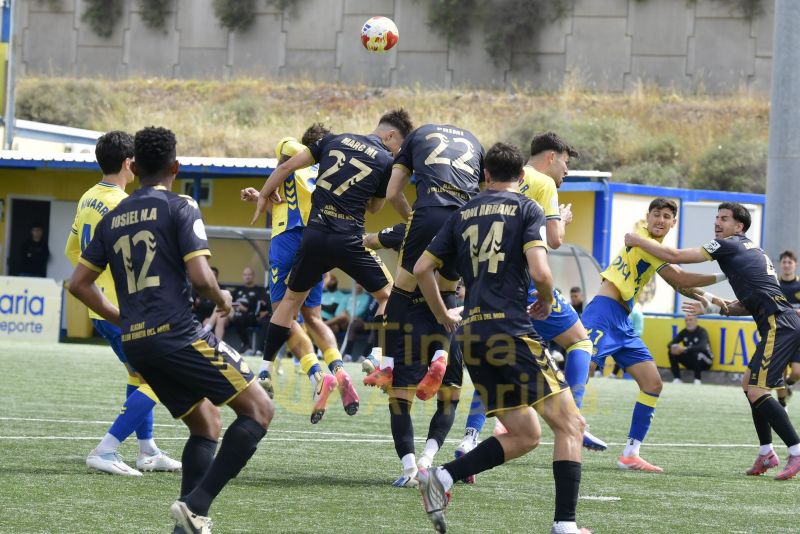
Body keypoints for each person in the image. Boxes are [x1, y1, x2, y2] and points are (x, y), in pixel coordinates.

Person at [69, 126, 274, 532]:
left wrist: (121, 319)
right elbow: (200, 276)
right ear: (175, 167)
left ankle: (186, 526)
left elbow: (77, 283)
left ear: (135, 166)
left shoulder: (114, 218)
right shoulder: (180, 205)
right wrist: (221, 300)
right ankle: (197, 504)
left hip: (138, 344)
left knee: (206, 423)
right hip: (178, 334)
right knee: (260, 409)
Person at [413, 142, 590, 534]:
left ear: (485, 176)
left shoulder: (462, 213)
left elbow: (423, 267)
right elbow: (542, 274)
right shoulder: (527, 208)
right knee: (572, 425)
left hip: (473, 335)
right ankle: (565, 526)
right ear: (523, 177)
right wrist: (545, 301)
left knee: (526, 435)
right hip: (510, 330)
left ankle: (441, 477)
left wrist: (444, 314)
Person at [249, 110, 414, 422]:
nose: (397, 153)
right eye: (398, 147)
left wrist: (264, 196)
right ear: (390, 137)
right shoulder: (385, 161)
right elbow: (377, 206)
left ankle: (264, 368)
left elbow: (286, 166)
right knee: (388, 294)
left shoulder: (332, 140)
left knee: (289, 303)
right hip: (349, 239)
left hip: (313, 237)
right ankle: (375, 355)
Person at [454, 131, 604, 461]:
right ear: (551, 157)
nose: (566, 170)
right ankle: (575, 417)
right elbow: (553, 240)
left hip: (488, 291)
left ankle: (470, 436)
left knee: (495, 355)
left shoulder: (497, 186)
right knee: (580, 342)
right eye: (565, 162)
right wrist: (562, 220)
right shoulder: (543, 183)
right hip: (527, 285)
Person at [627, 201, 800, 480]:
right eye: (716, 218)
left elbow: (676, 256)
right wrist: (712, 305)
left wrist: (639, 239)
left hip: (778, 325)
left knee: (757, 390)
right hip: (780, 323)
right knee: (750, 385)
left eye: (724, 219)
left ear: (738, 227)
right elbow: (748, 304)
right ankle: (767, 452)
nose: (717, 223)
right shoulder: (750, 250)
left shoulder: (727, 246)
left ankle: (795, 451)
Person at [364, 123, 484, 486]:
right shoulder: (474, 141)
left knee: (398, 392)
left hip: (407, 301)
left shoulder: (415, 141)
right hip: (464, 232)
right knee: (451, 395)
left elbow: (392, 194)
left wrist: (413, 217)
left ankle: (410, 468)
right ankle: (431, 455)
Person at [64, 130, 180, 476]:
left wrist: (98, 280)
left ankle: (146, 450)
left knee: (140, 373)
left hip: (98, 303)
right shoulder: (123, 204)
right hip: (123, 308)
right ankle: (107, 448)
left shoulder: (87, 198)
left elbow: (75, 250)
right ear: (130, 163)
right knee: (160, 378)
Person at [581, 198, 721, 472]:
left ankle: (630, 455)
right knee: (582, 369)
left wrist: (717, 301)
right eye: (656, 214)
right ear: (647, 217)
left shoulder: (650, 246)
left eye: (666, 216)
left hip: (622, 322)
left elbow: (677, 283)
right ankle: (567, 422)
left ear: (673, 222)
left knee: (653, 384)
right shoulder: (645, 242)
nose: (660, 220)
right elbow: (681, 278)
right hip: (602, 312)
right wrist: (726, 273)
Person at [241, 126, 362, 424]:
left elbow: (285, 164)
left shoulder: (293, 152)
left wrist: (266, 194)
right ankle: (339, 370)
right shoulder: (329, 170)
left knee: (284, 315)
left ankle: (316, 374)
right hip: (316, 242)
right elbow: (287, 197)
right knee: (312, 317)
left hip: (288, 238)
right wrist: (263, 194)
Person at [223, 266, 270, 354]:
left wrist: (244, 309)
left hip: (253, 316)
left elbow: (265, 306)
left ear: (253, 276)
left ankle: (260, 350)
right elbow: (230, 301)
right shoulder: (238, 290)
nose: (247, 277)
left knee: (266, 321)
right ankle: (246, 345)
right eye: (245, 275)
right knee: (236, 318)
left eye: (249, 275)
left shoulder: (259, 290)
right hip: (237, 316)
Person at [776, 250, 800, 408]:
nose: (786, 265)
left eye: (789, 262)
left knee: (797, 373)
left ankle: (789, 384)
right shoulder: (774, 284)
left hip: (798, 334)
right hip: (780, 334)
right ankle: (782, 405)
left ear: (795, 265)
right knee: (779, 374)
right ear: (780, 264)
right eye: (784, 262)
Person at [668, 315, 713, 384]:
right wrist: (675, 347)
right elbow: (670, 344)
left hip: (706, 361)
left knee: (697, 354)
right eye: (686, 320)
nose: (688, 322)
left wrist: (685, 348)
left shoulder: (702, 331)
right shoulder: (684, 332)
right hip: (692, 361)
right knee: (672, 352)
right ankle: (677, 378)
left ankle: (697, 380)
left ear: (696, 321)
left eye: (690, 320)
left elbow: (702, 347)